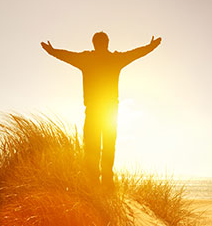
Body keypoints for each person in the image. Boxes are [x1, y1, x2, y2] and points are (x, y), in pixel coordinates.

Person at [41, 32, 161, 188]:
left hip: (96, 111)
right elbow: (135, 54)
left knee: (93, 146)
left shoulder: (87, 59)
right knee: (106, 146)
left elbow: (66, 56)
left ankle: (96, 182)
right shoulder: (114, 59)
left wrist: (52, 51)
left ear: (94, 43)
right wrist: (151, 46)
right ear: (107, 43)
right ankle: (105, 182)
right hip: (108, 111)